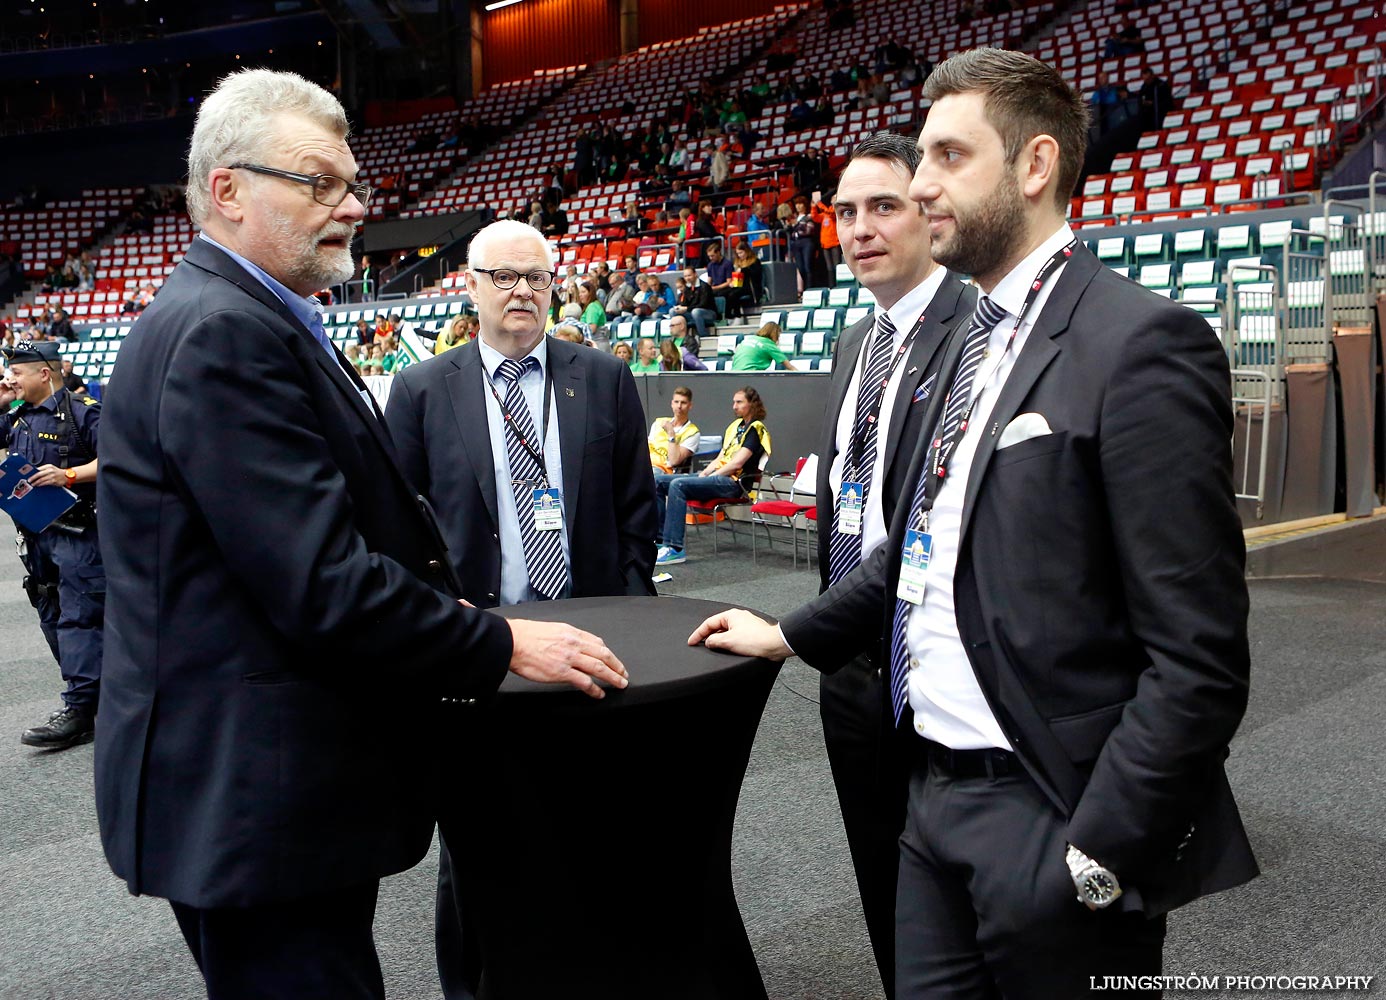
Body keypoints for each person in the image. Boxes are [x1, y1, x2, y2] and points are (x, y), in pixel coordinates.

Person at [689, 48, 1257, 999]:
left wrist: (1102, 846)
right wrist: (790, 634)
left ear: (1034, 168)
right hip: (931, 802)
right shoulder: (958, 347)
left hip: (1051, 812)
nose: (920, 183)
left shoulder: (1138, 342)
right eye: (922, 157)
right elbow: (920, 552)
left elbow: (1199, 653)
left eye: (949, 156)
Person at [94, 69, 629, 1000]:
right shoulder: (225, 333)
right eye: (318, 183)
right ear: (227, 189)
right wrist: (499, 637)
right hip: (253, 801)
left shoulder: (245, 316)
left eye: (350, 184)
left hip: (263, 794)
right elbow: (321, 584)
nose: (349, 206)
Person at [384, 219, 657, 1000]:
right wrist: (450, 626)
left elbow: (636, 513)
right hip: (482, 653)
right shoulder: (423, 389)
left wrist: (630, 616)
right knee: (475, 842)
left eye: (535, 278)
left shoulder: (602, 376)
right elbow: (401, 527)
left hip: (592, 648)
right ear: (469, 286)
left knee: (592, 827)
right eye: (502, 277)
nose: (521, 292)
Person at [810, 130, 979, 998]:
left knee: (963, 900)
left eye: (884, 206)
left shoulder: (977, 333)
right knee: (882, 880)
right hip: (851, 664)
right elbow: (848, 494)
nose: (861, 228)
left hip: (933, 661)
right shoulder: (853, 342)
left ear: (928, 211)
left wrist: (794, 633)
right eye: (845, 211)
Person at [1, 339, 104, 750]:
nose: (11, 378)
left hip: (80, 536)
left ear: (44, 373)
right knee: (50, 608)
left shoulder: (82, 413)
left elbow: (118, 456)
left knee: (79, 618)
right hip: (38, 536)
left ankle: (81, 710)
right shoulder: (18, 417)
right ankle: (94, 701)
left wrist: (71, 475)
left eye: (18, 373)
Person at [654, 386, 770, 566]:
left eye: (739, 402)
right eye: (734, 402)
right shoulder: (735, 427)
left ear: (752, 404)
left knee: (678, 485)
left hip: (734, 483)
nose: (734, 406)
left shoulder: (755, 430)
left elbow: (736, 463)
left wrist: (712, 476)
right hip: (718, 477)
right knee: (658, 481)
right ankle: (660, 541)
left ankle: (674, 548)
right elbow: (722, 457)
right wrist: (705, 473)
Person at [648, 385, 700, 474]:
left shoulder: (693, 433)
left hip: (664, 470)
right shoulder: (659, 422)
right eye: (676, 402)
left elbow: (674, 461)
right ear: (672, 404)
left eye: (683, 403)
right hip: (646, 464)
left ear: (690, 406)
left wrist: (671, 433)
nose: (679, 406)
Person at [670, 266, 719, 341]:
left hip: (708, 313)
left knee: (696, 312)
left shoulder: (704, 286)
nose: (687, 278)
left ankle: (703, 336)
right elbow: (685, 303)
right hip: (692, 312)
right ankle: (679, 336)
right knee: (672, 311)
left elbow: (703, 304)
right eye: (685, 276)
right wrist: (680, 307)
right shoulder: (687, 288)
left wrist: (686, 308)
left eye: (689, 275)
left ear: (695, 274)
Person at [731, 321, 796, 371]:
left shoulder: (748, 339)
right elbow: (789, 366)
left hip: (733, 374)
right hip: (751, 375)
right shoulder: (769, 344)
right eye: (778, 336)